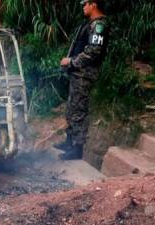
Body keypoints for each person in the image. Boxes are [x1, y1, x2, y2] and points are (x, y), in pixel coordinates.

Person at [56, 0, 109, 160]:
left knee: (78, 110)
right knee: (72, 108)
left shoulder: (99, 25)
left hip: (85, 74)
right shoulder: (90, 24)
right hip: (78, 73)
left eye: (85, 4)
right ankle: (69, 142)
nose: (83, 7)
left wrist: (71, 61)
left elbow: (93, 51)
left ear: (94, 4)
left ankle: (77, 149)